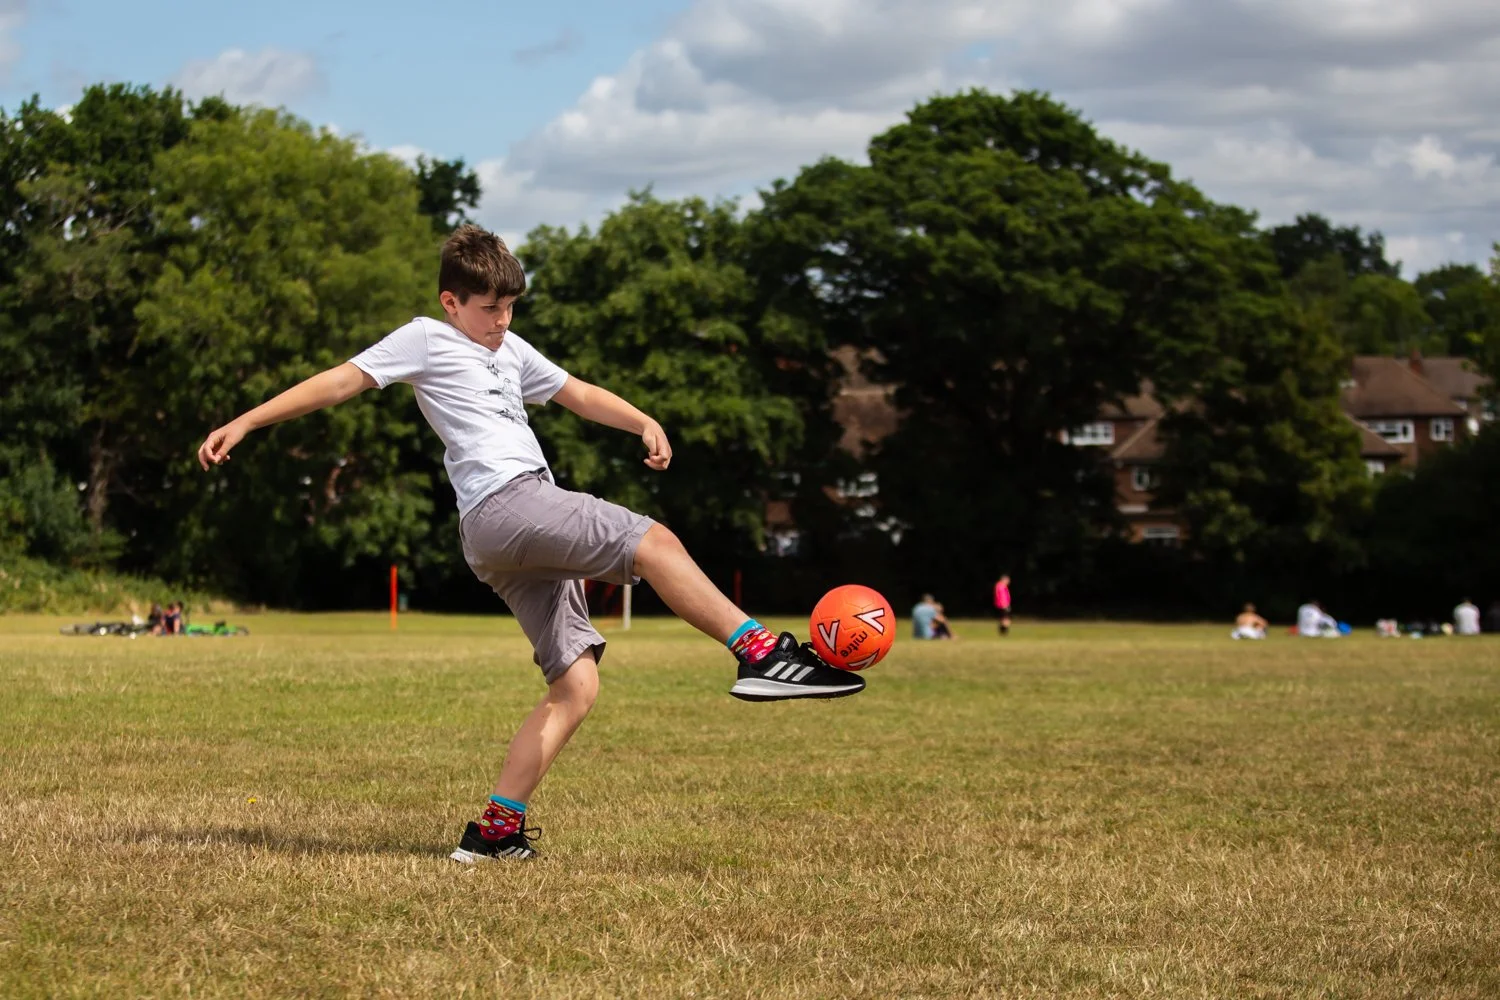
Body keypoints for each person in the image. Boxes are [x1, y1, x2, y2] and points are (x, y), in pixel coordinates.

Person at [196, 225, 865, 864]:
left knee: (576, 684)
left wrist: (641, 421)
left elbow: (575, 393)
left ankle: (493, 832)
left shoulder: (511, 350)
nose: (502, 320)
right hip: (507, 505)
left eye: (511, 306)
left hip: (503, 533)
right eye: (489, 308)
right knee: (655, 542)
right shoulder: (426, 339)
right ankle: (762, 655)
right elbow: (342, 380)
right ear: (450, 302)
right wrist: (248, 420)